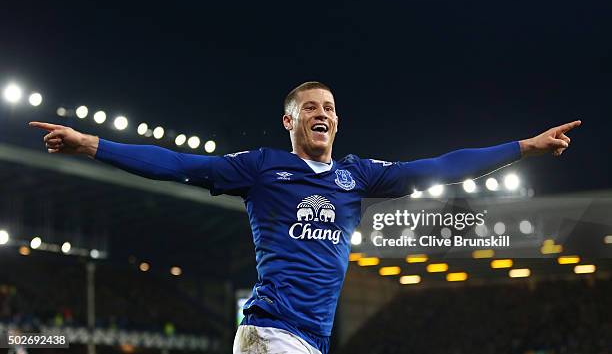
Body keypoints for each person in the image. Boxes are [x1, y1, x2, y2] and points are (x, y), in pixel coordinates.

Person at [29, 81, 580, 354]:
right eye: (312, 107)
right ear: (290, 120)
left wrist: (523, 148)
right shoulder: (261, 168)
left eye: (331, 108)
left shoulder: (357, 176)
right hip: (273, 329)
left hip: (311, 338)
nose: (324, 114)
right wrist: (91, 145)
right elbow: (176, 164)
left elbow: (441, 165)